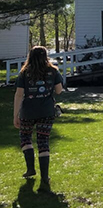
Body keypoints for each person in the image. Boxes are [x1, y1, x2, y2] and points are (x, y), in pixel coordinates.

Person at [13, 46, 64, 188]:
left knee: (25, 138)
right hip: (46, 112)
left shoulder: (24, 72)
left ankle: (30, 169)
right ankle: (45, 176)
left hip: (27, 112)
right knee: (43, 141)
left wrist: (15, 115)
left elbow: (18, 94)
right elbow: (59, 91)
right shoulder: (53, 71)